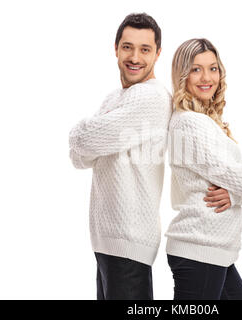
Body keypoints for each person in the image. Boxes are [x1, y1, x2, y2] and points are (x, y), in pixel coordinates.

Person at [68, 13, 172, 300]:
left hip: (130, 241)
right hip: (105, 242)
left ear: (158, 53)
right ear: (116, 49)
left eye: (145, 49)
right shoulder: (113, 98)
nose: (135, 57)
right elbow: (78, 157)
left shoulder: (152, 97)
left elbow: (83, 138)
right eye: (127, 47)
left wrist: (88, 131)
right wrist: (90, 135)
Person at [165, 38, 242, 300]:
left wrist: (234, 195)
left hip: (212, 250)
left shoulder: (207, 121)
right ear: (183, 75)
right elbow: (239, 176)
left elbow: (232, 182)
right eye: (196, 69)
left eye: (213, 68)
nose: (206, 77)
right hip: (200, 247)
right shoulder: (189, 123)